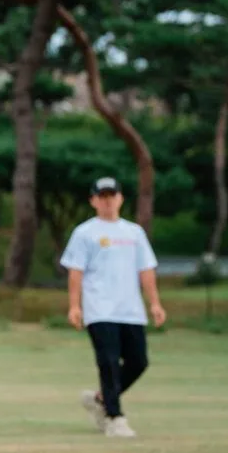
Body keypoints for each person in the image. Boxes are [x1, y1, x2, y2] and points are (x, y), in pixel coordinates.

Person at [61, 176, 166, 439]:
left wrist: (154, 303)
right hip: (99, 308)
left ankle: (100, 399)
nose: (108, 201)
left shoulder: (134, 233)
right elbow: (76, 272)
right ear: (94, 200)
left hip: (130, 309)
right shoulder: (85, 232)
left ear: (120, 198)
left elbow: (146, 270)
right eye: (102, 196)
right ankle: (114, 417)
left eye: (112, 195)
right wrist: (75, 306)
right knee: (108, 361)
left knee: (138, 362)